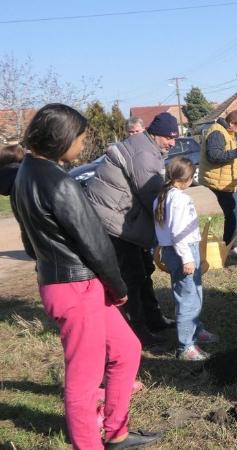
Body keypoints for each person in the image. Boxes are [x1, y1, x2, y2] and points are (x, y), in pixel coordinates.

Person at [12, 104, 160, 450]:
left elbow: (29, 242)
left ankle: (117, 430)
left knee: (126, 349)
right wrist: (119, 287)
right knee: (84, 379)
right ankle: (88, 444)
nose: (83, 144)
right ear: (61, 139)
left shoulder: (24, 175)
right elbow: (95, 244)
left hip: (68, 282)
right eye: (80, 137)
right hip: (77, 287)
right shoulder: (59, 183)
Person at [85, 112, 179, 345]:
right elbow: (152, 196)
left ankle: (154, 319)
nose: (173, 142)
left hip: (124, 219)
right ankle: (137, 332)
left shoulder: (146, 146)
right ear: (156, 134)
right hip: (114, 224)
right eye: (169, 138)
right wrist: (171, 227)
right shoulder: (144, 153)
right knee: (132, 277)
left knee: (144, 271)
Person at [154, 157, 218, 360]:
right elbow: (178, 233)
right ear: (188, 178)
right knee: (188, 299)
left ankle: (196, 328)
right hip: (182, 251)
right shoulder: (179, 200)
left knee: (192, 293)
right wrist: (187, 259)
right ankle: (186, 346)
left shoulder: (165, 196)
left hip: (177, 251)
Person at [199, 110, 237, 260]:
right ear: (231, 124)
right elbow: (214, 156)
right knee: (233, 211)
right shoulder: (217, 133)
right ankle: (229, 246)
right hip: (220, 182)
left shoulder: (229, 132)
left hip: (235, 179)